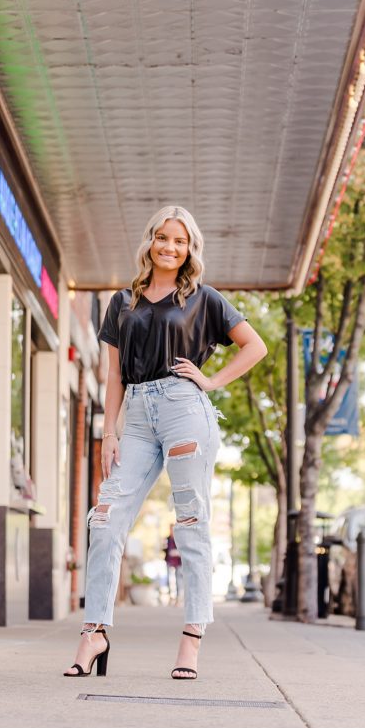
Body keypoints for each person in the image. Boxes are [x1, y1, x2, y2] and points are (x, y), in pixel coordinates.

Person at [63, 205, 267, 680]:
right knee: (106, 517)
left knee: (191, 522)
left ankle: (192, 638)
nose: (169, 247)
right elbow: (113, 374)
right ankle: (94, 632)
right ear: (150, 242)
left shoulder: (204, 299)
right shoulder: (123, 301)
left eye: (179, 241)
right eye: (162, 238)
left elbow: (254, 346)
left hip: (183, 410)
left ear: (189, 247)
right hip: (135, 413)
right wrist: (107, 431)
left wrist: (212, 382)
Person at [163, 524, 183, 604]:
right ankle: (170, 597)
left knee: (178, 580)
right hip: (169, 561)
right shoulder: (167, 539)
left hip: (178, 562)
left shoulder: (179, 539)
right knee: (168, 579)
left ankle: (178, 598)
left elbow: (182, 551)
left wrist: (176, 552)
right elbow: (164, 549)